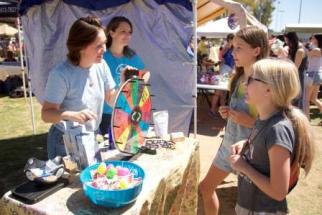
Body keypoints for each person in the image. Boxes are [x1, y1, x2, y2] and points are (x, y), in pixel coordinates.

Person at [230, 58, 314, 214]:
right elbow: (265, 145)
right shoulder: (264, 119)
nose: (244, 84)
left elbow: (278, 191)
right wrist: (247, 144)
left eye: (250, 79)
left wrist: (244, 167)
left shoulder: (278, 129)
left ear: (269, 89)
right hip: (249, 206)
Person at [199, 26, 269, 215]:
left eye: (239, 47)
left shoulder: (265, 80)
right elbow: (241, 111)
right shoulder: (238, 77)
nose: (232, 52)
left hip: (253, 155)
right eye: (233, 47)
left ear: (256, 50)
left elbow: (275, 125)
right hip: (228, 147)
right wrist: (228, 112)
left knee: (250, 208)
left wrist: (249, 122)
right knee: (206, 188)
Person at [41, 16, 116, 159]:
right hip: (65, 140)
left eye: (105, 44)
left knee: (94, 179)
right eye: (98, 46)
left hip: (91, 137)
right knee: (72, 182)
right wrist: (70, 115)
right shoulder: (60, 74)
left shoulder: (101, 65)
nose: (104, 49)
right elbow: (46, 114)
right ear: (81, 47)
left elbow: (112, 99)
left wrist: (128, 85)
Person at [100, 16, 150, 137]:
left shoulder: (131, 56)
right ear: (112, 32)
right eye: (123, 31)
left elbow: (146, 72)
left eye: (130, 32)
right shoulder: (102, 56)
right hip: (106, 113)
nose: (127, 35)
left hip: (127, 112)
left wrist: (137, 86)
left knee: (127, 148)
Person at [284, 32, 307, 110]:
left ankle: (297, 117)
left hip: (297, 75)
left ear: (291, 40)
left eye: (287, 40)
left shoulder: (300, 50)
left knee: (297, 98)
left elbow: (295, 67)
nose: (286, 42)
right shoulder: (295, 48)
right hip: (295, 74)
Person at [304, 34, 322, 120]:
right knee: (314, 99)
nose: (311, 39)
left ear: (317, 40)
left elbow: (307, 54)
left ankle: (307, 118)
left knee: (306, 99)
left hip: (313, 74)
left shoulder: (316, 49)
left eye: (313, 38)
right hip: (316, 75)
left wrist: (305, 46)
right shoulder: (316, 48)